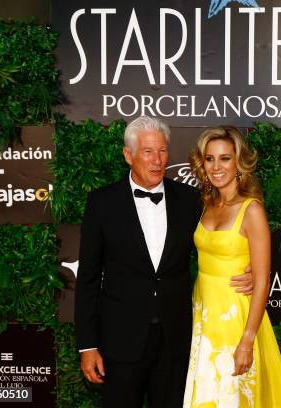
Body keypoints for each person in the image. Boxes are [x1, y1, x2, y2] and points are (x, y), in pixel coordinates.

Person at [75, 117, 252, 408]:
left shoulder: (191, 200)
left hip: (175, 340)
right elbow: (88, 280)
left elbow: (223, 242)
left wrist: (252, 272)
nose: (157, 161)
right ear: (128, 155)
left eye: (162, 151)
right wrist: (88, 345)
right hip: (120, 342)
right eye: (147, 152)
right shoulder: (101, 203)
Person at [183, 126, 281, 407]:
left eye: (225, 158)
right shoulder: (205, 203)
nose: (216, 166)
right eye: (209, 158)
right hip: (203, 314)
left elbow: (261, 281)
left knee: (231, 396)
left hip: (235, 317)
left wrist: (247, 340)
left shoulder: (252, 210)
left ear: (239, 163)